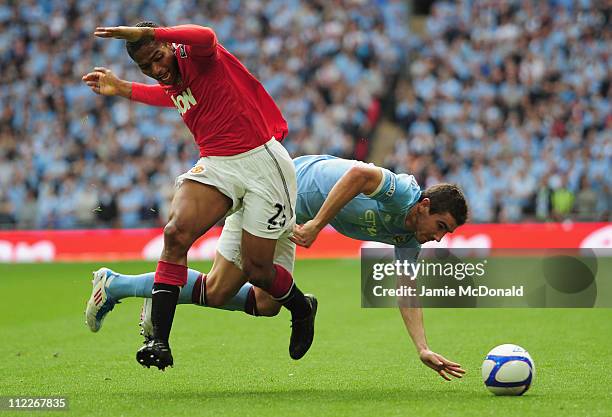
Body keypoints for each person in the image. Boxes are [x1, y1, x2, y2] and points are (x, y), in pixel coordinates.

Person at [88, 155, 468, 380]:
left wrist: (422, 348)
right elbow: (357, 175)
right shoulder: (402, 192)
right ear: (423, 207)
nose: (439, 238)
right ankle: (117, 284)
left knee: (265, 303)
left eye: (446, 233)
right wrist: (318, 225)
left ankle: (129, 287)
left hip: (293, 215)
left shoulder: (408, 240)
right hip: (272, 194)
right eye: (441, 227)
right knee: (221, 289)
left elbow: (406, 287)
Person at [83, 22, 316, 370]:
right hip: (218, 164)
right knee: (175, 234)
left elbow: (206, 35)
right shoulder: (174, 80)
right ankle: (159, 340)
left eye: (158, 58)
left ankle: (300, 306)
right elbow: (172, 96)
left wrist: (154, 34)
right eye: (146, 67)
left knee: (257, 273)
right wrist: (123, 88)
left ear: (169, 45)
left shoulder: (198, 55)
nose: (156, 70)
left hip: (263, 165)